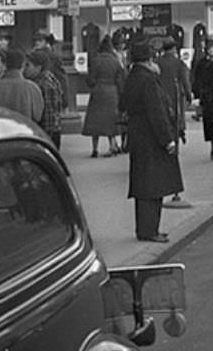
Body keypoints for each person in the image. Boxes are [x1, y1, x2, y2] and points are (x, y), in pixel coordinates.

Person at [122, 39, 183, 243]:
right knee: (153, 187)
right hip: (151, 139)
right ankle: (150, 231)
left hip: (138, 137)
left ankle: (145, 229)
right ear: (149, 60)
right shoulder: (148, 80)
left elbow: (123, 103)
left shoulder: (132, 77)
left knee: (143, 186)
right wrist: (167, 140)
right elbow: (156, 112)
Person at [158, 36, 193, 206]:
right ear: (174, 49)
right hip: (174, 99)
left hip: (159, 100)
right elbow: (185, 81)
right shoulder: (179, 64)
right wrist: (188, 94)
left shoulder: (157, 62)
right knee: (175, 127)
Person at [82, 34, 123, 157]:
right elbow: (119, 80)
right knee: (111, 121)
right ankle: (112, 146)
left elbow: (90, 79)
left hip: (98, 91)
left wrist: (94, 85)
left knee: (95, 121)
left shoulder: (95, 60)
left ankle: (95, 149)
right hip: (111, 92)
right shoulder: (115, 61)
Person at [24, 49, 66, 149]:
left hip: (47, 133)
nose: (25, 69)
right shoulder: (49, 79)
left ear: (38, 67)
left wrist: (44, 137)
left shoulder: (44, 83)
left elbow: (49, 114)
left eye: (28, 65)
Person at [0, 47, 43, 123]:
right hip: (25, 130)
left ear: (5, 65)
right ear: (23, 65)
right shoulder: (33, 88)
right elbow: (38, 116)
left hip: (1, 131)